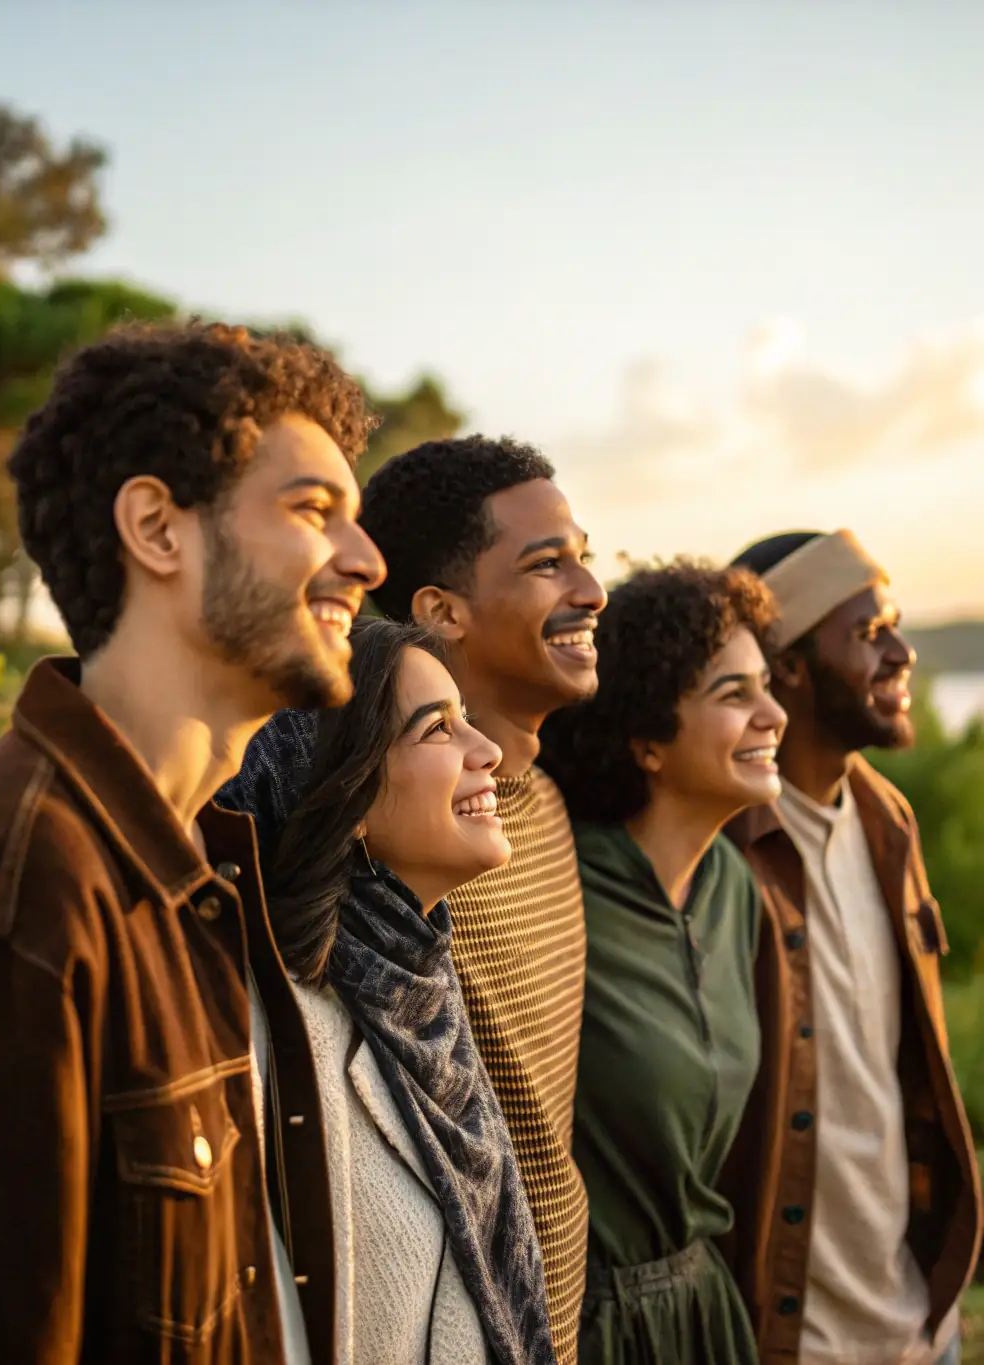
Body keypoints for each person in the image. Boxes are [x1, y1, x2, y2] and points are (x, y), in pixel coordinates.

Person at [0, 322, 386, 1364]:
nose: (366, 560)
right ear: (158, 528)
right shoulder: (21, 888)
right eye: (312, 510)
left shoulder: (196, 871)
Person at [219, 616, 556, 1365]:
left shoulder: (420, 983)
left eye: (466, 717)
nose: (488, 751)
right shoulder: (268, 1029)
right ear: (349, 797)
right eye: (438, 728)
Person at [357, 435, 608, 1365]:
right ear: (440, 612)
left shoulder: (546, 809)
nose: (591, 589)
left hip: (559, 1326)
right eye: (547, 565)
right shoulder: (402, 840)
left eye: (584, 555)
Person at [722, 529, 982, 1365]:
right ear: (788, 666)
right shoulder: (718, 848)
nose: (902, 652)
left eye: (894, 627)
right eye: (870, 633)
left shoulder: (887, 821)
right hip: (793, 1343)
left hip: (920, 1324)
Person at [537, 560, 786, 1365]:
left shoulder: (733, 889)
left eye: (767, 686)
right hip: (586, 1325)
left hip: (706, 1315)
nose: (774, 714)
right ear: (647, 739)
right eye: (734, 694)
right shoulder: (557, 883)